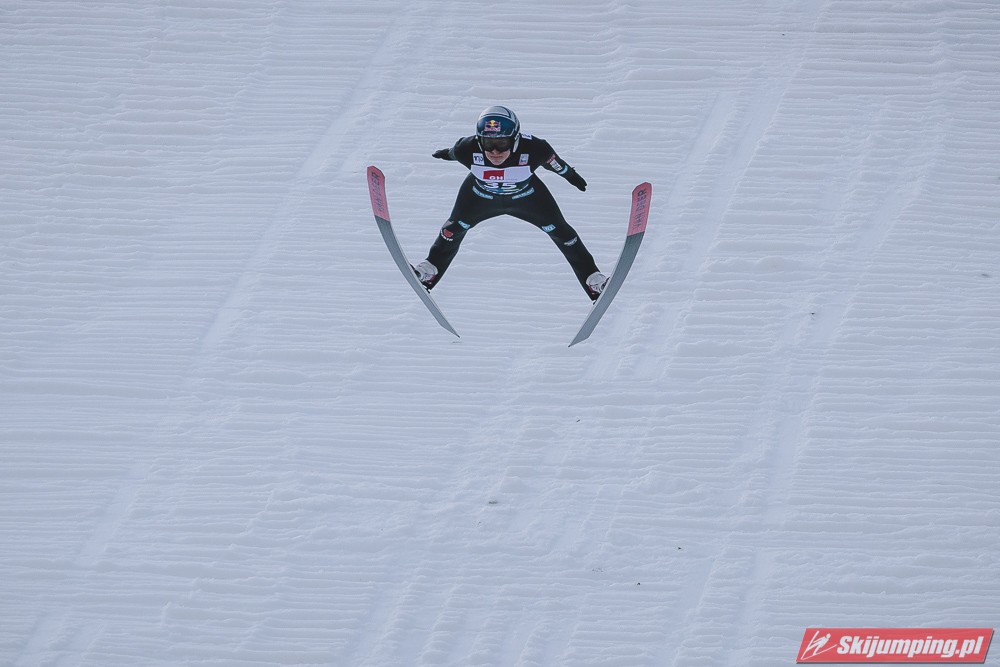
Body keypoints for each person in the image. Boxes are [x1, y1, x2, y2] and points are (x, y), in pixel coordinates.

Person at [412, 105, 608, 301]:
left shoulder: (535, 148)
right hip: (480, 198)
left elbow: (556, 165)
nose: (495, 151)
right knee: (452, 230)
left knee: (563, 233)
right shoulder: (466, 148)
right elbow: (453, 153)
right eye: (488, 143)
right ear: (479, 140)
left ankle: (593, 280)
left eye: (502, 143)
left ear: (515, 139)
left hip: (527, 198)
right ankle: (429, 270)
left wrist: (571, 176)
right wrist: (446, 154)